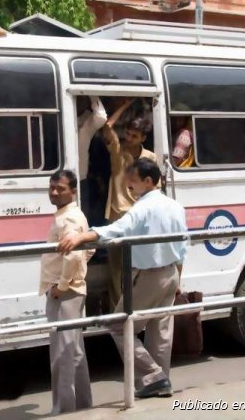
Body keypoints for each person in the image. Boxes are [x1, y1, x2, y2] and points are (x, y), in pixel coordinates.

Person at [58, 158, 187, 399]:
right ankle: (160, 383)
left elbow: (118, 229)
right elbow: (182, 249)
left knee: (119, 325)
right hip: (170, 273)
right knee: (160, 331)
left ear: (147, 182)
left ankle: (155, 376)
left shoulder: (142, 207)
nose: (130, 189)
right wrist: (178, 281)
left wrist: (83, 237)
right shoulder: (175, 206)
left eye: (132, 185)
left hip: (148, 276)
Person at [39, 169, 93, 414]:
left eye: (60, 188)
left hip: (65, 291)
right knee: (73, 350)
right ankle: (82, 404)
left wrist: (61, 285)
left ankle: (64, 410)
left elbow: (73, 255)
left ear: (73, 191)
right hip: (71, 287)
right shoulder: (70, 214)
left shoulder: (68, 219)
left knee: (62, 354)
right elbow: (87, 250)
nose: (54, 192)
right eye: (52, 187)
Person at [102, 98, 157, 311]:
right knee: (116, 271)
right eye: (128, 134)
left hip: (141, 218)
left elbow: (154, 190)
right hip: (118, 216)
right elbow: (107, 127)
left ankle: (136, 310)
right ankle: (118, 314)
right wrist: (124, 105)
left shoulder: (150, 158)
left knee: (138, 267)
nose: (130, 139)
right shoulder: (118, 152)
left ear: (143, 138)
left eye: (135, 136)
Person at [77, 96, 107, 216]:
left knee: (83, 218)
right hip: (60, 179)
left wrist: (91, 94)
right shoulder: (61, 116)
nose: (79, 102)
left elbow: (101, 117)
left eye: (81, 97)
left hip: (81, 178)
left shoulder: (87, 121)